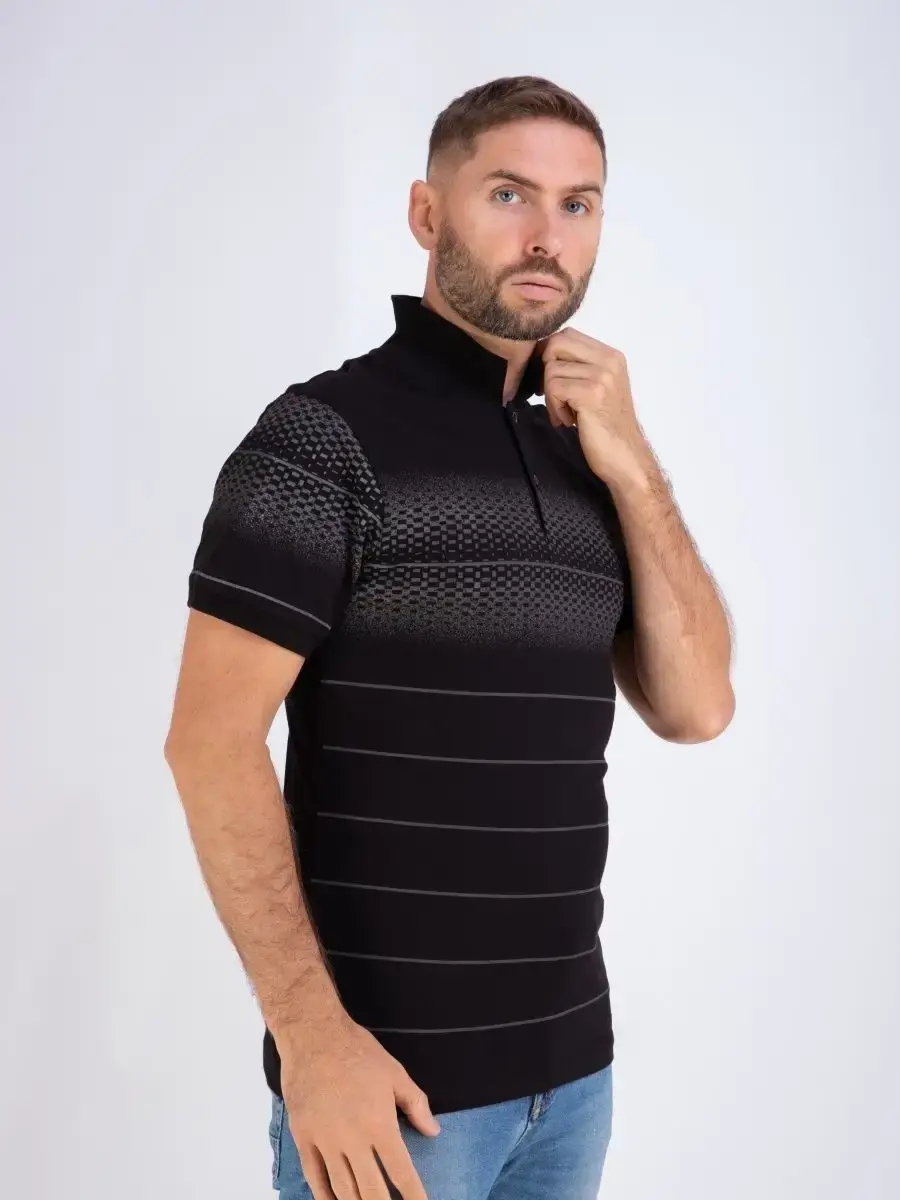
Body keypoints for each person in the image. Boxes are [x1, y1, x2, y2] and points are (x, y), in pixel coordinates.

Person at [164, 74, 734, 1200]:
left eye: (578, 204)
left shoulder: (589, 458)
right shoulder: (322, 441)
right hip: (393, 1097)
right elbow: (209, 745)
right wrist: (313, 1044)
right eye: (509, 194)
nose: (546, 236)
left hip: (572, 1085)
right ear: (428, 215)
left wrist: (633, 463)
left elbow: (698, 707)